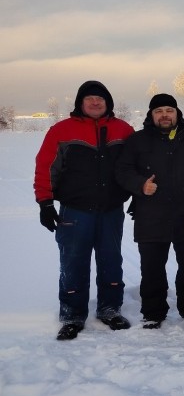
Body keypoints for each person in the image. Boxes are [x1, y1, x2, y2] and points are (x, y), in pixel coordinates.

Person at [34, 80, 134, 340]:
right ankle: (72, 314)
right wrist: (45, 202)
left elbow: (136, 166)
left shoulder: (123, 130)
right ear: (80, 103)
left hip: (112, 209)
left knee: (111, 261)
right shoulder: (62, 130)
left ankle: (110, 309)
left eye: (99, 98)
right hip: (75, 211)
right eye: (89, 98)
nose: (95, 102)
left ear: (108, 102)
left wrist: (139, 195)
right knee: (73, 262)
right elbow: (46, 166)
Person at [116, 94, 184, 328]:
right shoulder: (137, 141)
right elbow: (122, 171)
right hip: (150, 214)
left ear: (177, 114)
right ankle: (153, 312)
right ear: (151, 115)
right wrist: (140, 185)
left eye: (169, 110)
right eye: (159, 110)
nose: (164, 115)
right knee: (152, 267)